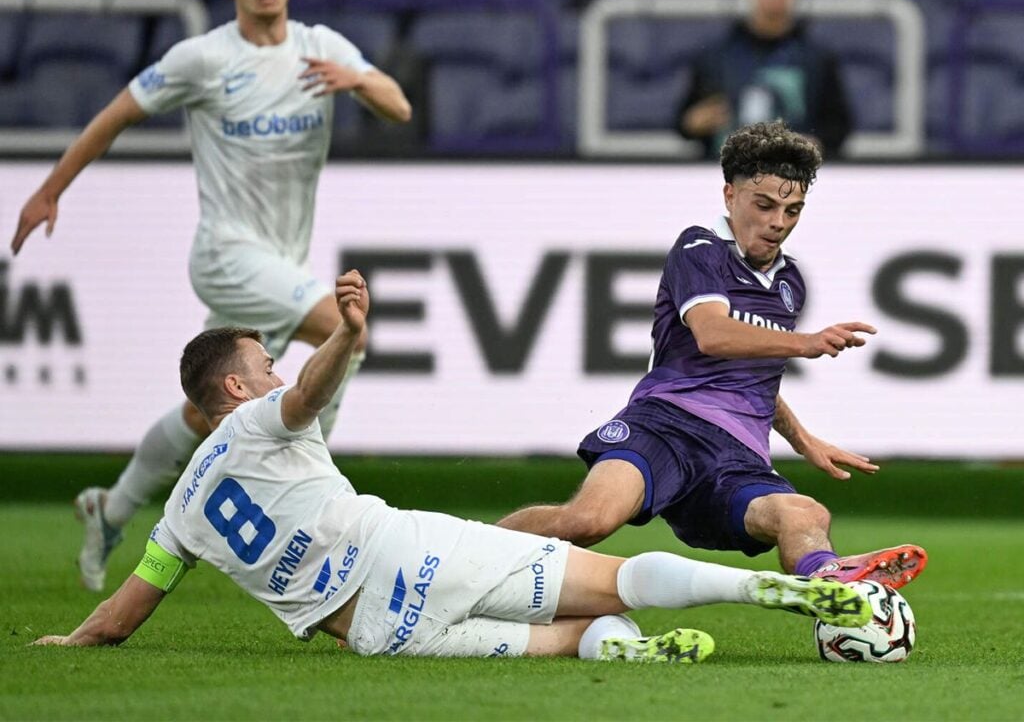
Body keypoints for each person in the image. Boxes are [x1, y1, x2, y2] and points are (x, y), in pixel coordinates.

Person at [32, 270, 873, 662]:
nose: (277, 374)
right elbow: (306, 397)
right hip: (408, 551)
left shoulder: (180, 512)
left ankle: (618, 654)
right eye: (265, 364)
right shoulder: (256, 420)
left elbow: (121, 617)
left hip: (375, 634)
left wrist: (67, 641)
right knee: (614, 581)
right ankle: (779, 590)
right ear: (234, 387)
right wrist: (347, 337)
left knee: (565, 642)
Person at [9, 0, 412, 592]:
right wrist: (50, 190)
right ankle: (315, 487)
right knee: (344, 329)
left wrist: (355, 80)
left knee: (208, 412)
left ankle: (111, 509)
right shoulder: (202, 58)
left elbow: (400, 107)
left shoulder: (320, 47)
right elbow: (117, 114)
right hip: (226, 255)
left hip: (279, 262)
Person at [497, 121, 927, 590]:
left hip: (737, 456)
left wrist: (804, 441)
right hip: (666, 426)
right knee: (589, 520)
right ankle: (462, 555)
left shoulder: (790, 283)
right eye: (764, 205)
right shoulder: (699, 248)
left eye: (793, 210)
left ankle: (832, 587)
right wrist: (806, 343)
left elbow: (755, 376)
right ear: (730, 195)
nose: (778, 222)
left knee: (806, 514)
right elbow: (713, 335)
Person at [676, 0, 851, 158]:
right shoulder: (715, 58)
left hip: (792, 168)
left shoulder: (818, 60)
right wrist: (695, 122)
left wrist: (816, 143)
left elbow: (839, 127)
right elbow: (683, 123)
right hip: (726, 168)